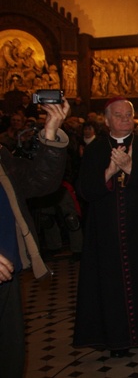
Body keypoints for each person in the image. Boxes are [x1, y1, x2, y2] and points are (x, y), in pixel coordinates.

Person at [73, 97, 138, 358]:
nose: (124, 119)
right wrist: (109, 172)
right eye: (118, 115)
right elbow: (84, 191)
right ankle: (116, 340)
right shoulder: (97, 149)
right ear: (107, 120)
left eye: (128, 115)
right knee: (110, 283)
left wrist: (131, 167)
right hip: (106, 231)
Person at [0, 97, 69, 378]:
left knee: (10, 356)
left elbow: (39, 182)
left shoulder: (1, 155)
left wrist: (50, 131)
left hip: (8, 271)